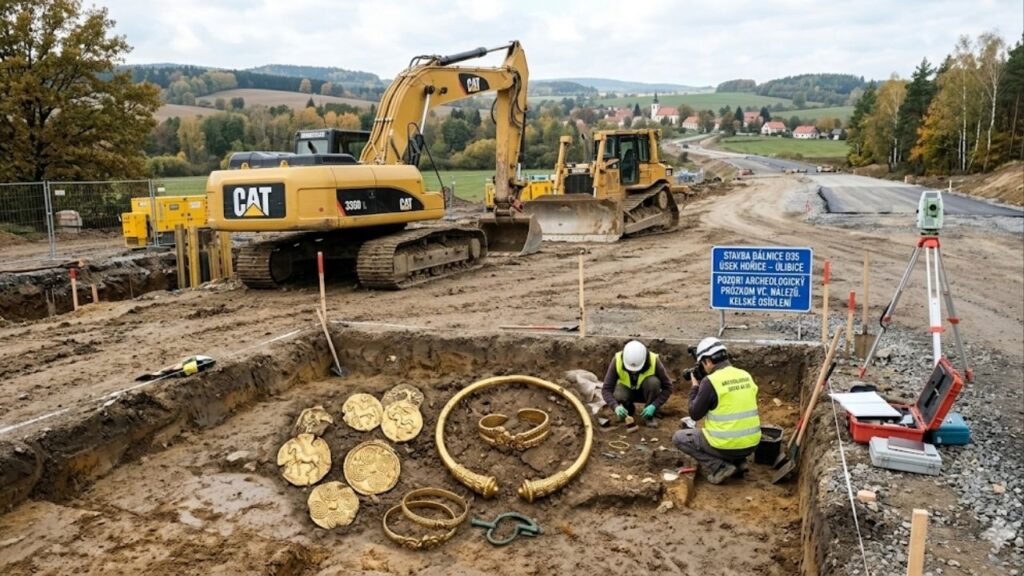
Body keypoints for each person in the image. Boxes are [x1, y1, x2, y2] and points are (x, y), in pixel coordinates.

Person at [672, 337, 761, 484]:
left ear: (707, 361)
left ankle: (720, 467)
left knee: (679, 438)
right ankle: (740, 462)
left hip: (726, 445)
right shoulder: (745, 375)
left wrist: (695, 387)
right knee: (734, 425)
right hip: (752, 444)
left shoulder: (711, 382)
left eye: (702, 364)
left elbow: (694, 414)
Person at [601, 340, 673, 426]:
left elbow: (668, 387)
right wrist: (615, 406)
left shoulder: (654, 361)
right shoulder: (617, 360)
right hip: (627, 393)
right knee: (618, 393)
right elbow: (606, 389)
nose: (633, 372)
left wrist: (654, 405)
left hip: (647, 393)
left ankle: (649, 415)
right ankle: (628, 410)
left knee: (653, 382)